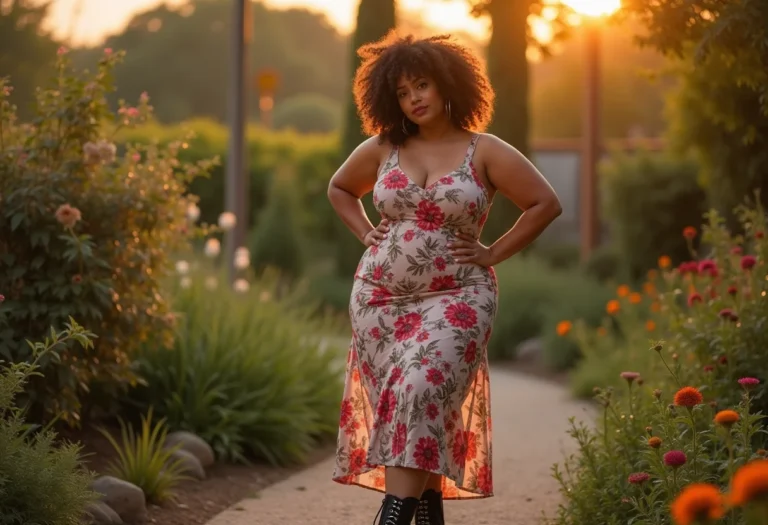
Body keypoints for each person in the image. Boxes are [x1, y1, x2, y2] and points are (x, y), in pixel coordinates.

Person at [327, 30, 562, 525]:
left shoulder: (485, 149)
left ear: (449, 84)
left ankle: (391, 518)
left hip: (458, 296)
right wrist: (367, 233)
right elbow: (340, 189)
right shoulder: (382, 147)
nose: (414, 98)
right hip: (378, 301)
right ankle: (429, 515)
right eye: (403, 91)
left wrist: (492, 252)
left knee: (419, 390)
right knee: (410, 405)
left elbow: (545, 203)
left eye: (423, 85)